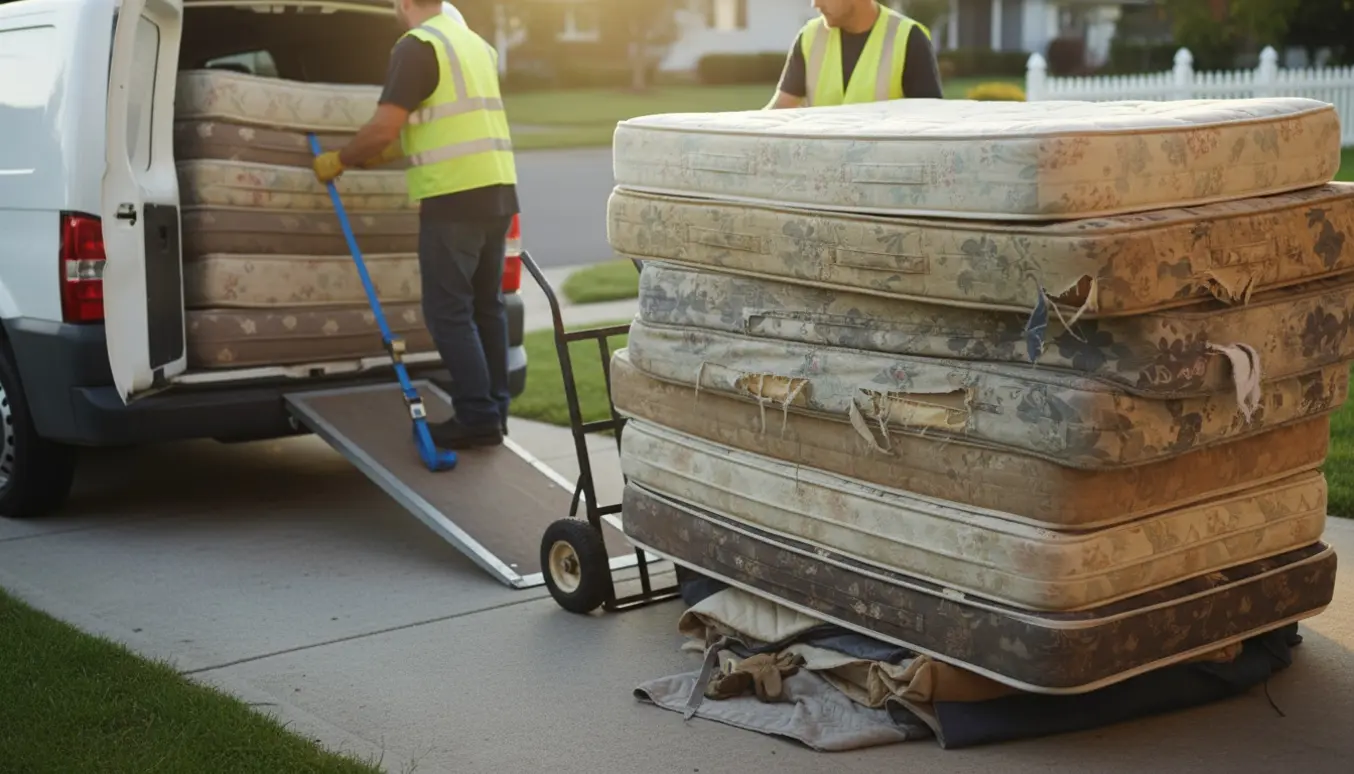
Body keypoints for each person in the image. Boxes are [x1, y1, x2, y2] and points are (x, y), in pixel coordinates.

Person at [313, 0, 518, 451]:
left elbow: (386, 127)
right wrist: (373, 155)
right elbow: (435, 124)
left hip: (453, 197)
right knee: (487, 307)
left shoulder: (416, 46)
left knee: (448, 311)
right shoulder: (475, 45)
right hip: (497, 191)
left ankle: (477, 416)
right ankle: (494, 411)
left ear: (402, 3)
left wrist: (339, 159)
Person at [768, 0, 943, 109]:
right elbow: (780, 109)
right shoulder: (809, 37)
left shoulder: (909, 38)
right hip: (823, 166)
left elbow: (928, 124)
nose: (815, 4)